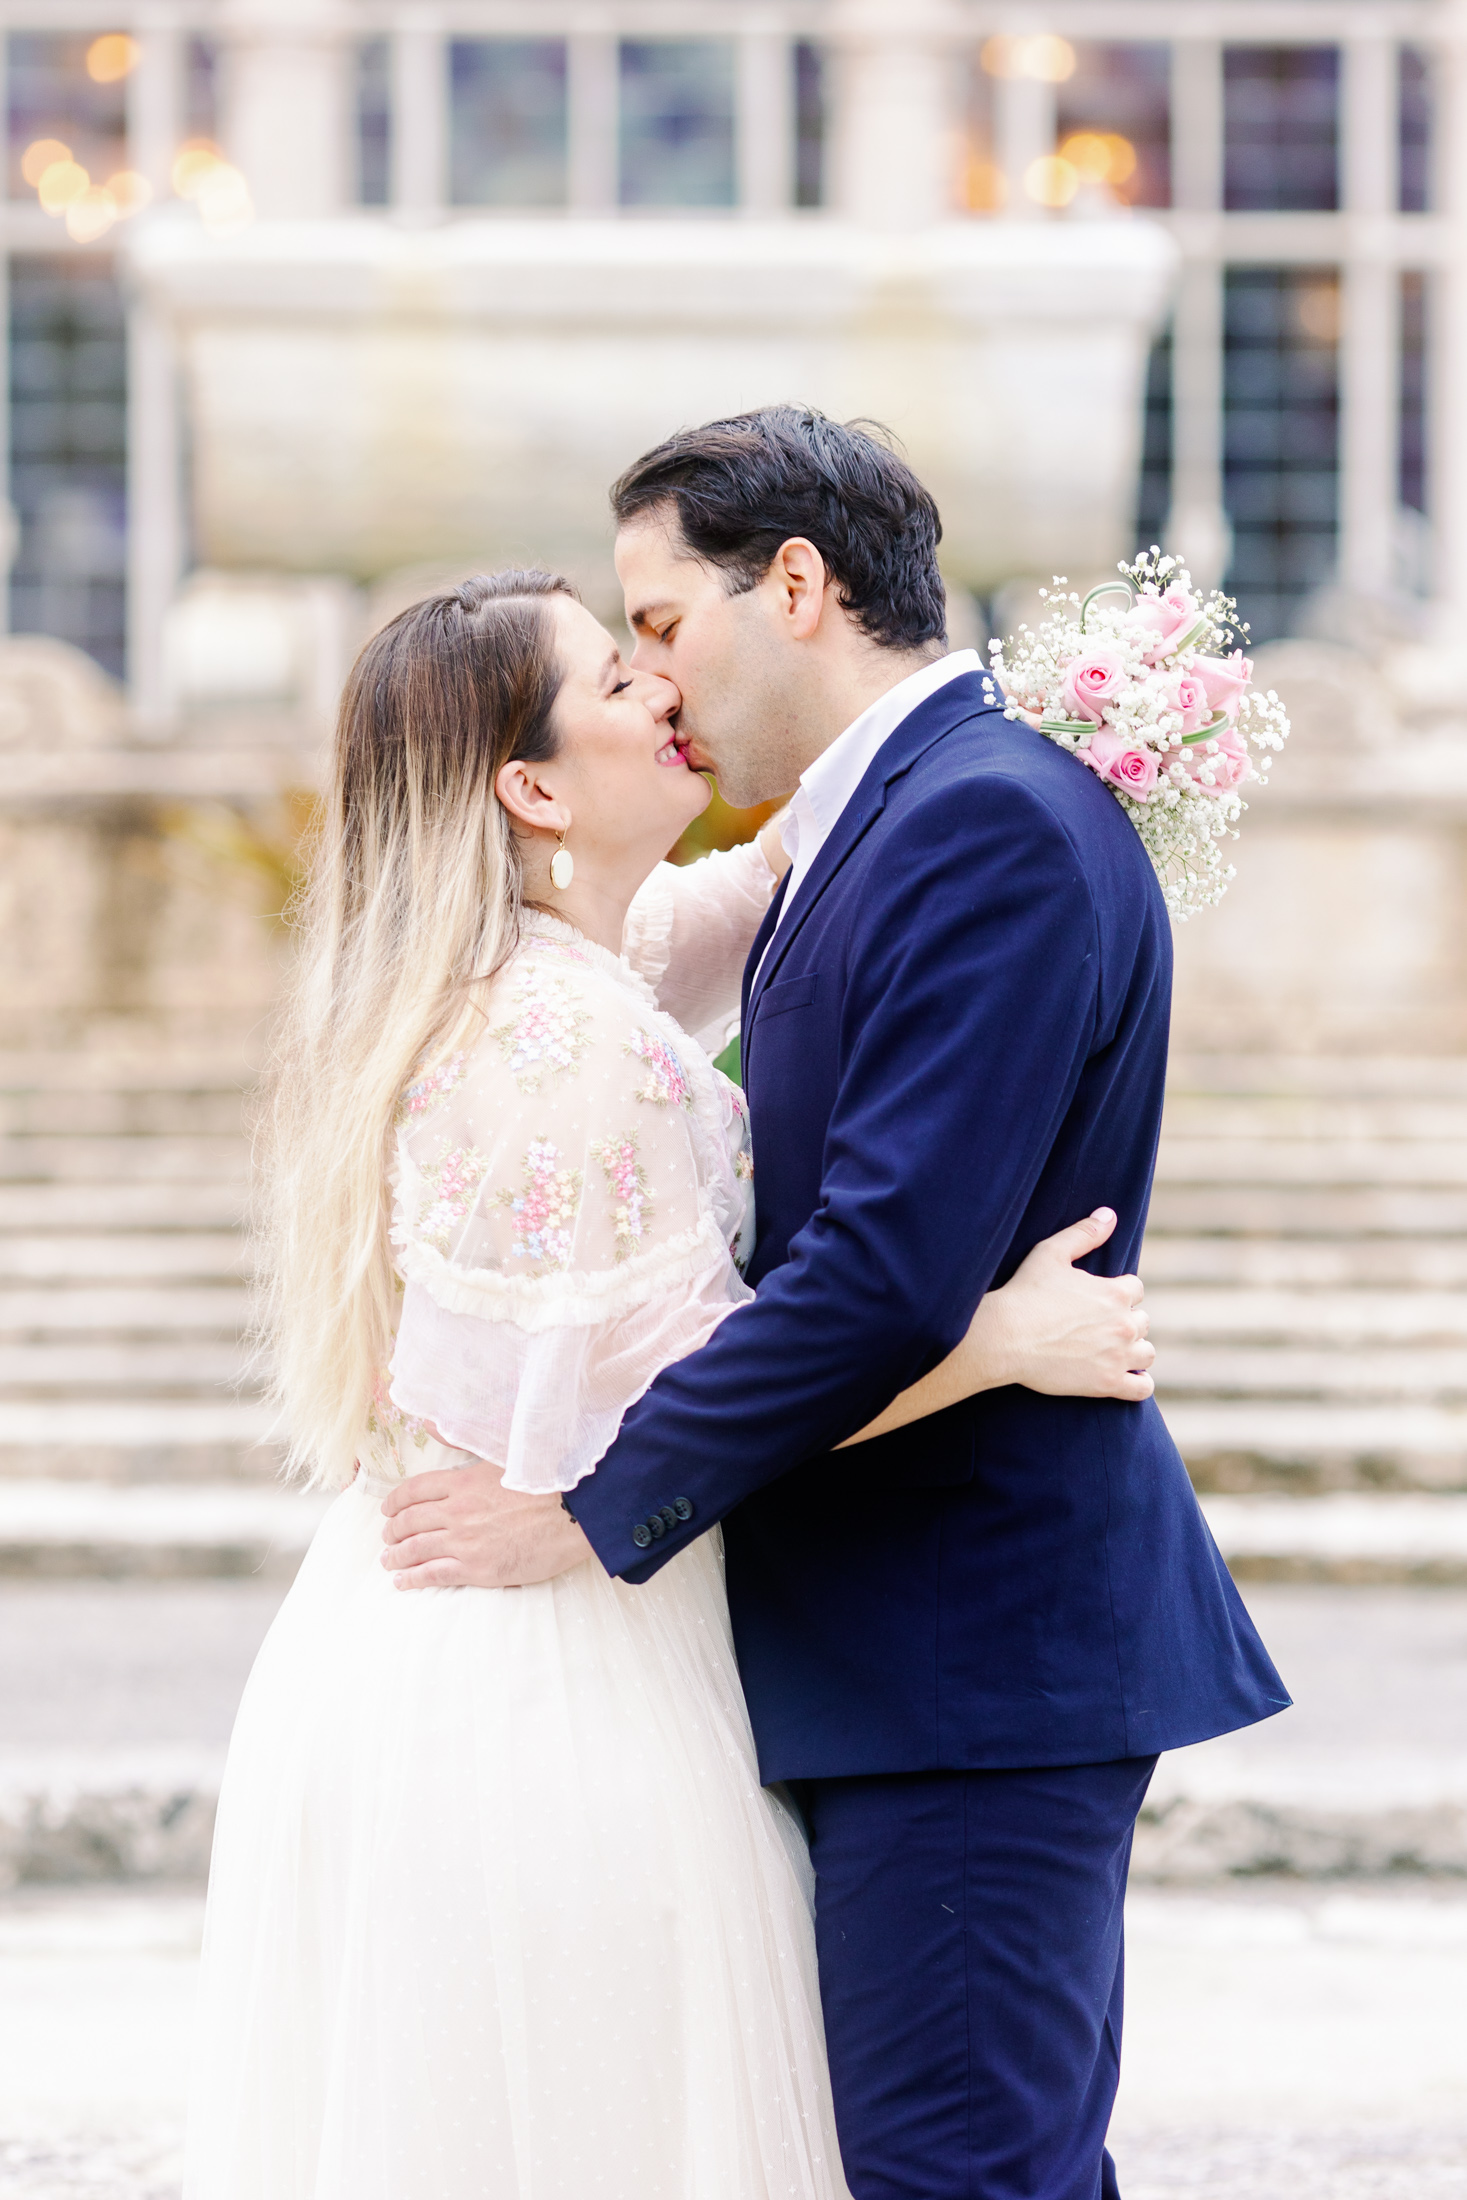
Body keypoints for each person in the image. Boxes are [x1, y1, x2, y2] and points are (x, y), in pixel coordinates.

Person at [387, 411, 1290, 2200]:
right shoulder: (876, 821)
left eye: (658, 621)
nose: (653, 671)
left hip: (970, 1651)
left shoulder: (983, 825)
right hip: (881, 1650)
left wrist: (590, 1511)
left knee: (959, 2176)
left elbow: (876, 1272)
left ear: (793, 583)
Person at [183, 566, 1157, 2200]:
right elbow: (724, 1391)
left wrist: (1010, 724)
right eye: (616, 680)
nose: (664, 692)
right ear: (534, 785)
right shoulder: (572, 1045)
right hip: (552, 1678)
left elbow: (767, 884)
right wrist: (999, 1341)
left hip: (421, 1643)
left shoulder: (533, 965)